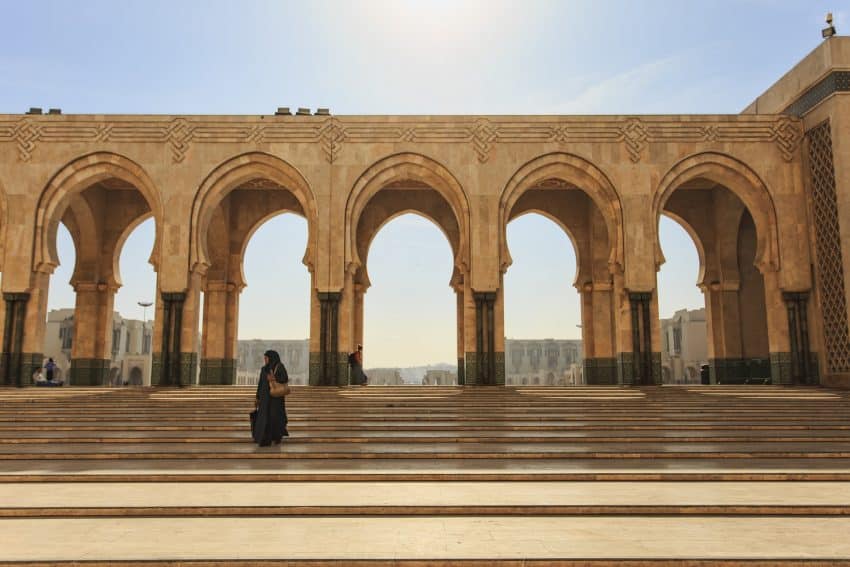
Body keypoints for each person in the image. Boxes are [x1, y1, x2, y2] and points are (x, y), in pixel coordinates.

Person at [253, 350, 289, 447]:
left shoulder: (280, 367)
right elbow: (260, 384)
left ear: (272, 358)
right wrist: (257, 397)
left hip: (275, 399)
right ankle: (265, 438)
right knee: (265, 418)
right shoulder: (264, 369)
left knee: (275, 417)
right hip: (265, 398)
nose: (265, 360)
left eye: (266, 358)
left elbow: (285, 379)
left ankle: (276, 437)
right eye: (264, 358)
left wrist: (274, 379)